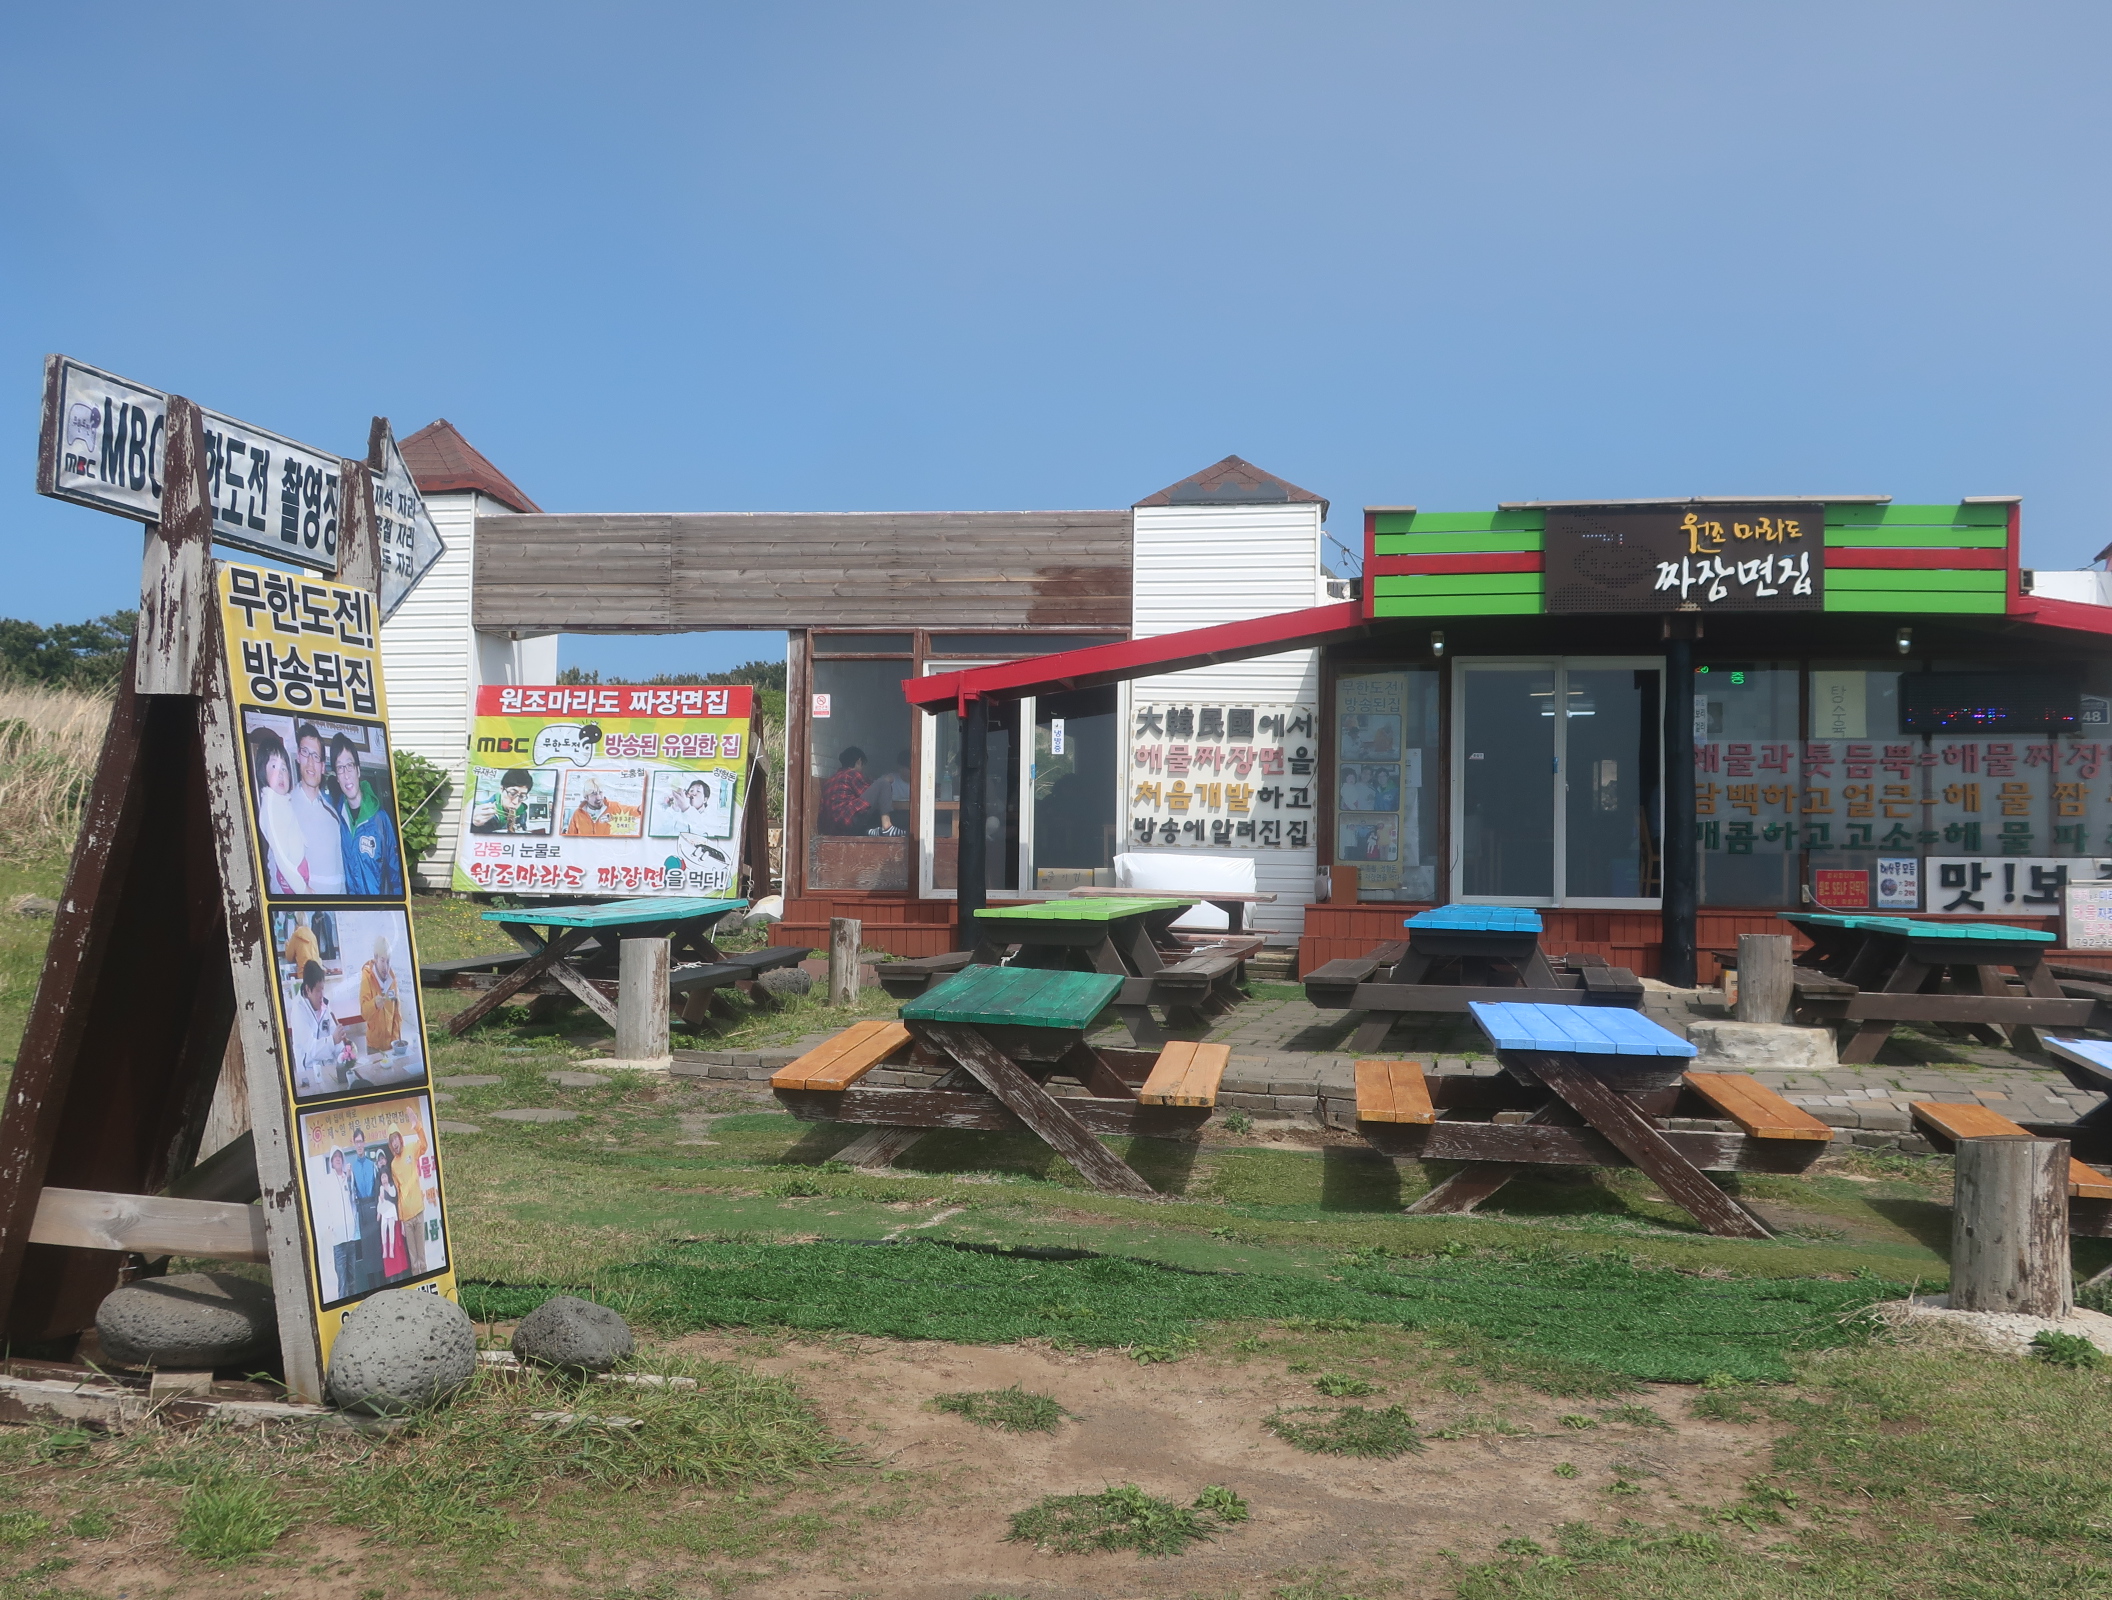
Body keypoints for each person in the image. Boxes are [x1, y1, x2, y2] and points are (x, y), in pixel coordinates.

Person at [330, 737, 403, 896]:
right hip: (350, 908)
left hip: (378, 907)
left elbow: (395, 872)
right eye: (340, 768)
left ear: (358, 770)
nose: (346, 775)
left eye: (349, 765)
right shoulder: (336, 821)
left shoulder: (380, 819)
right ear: (336, 777)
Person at [287, 725, 348, 893]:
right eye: (305, 753)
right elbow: (275, 868)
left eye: (316, 756)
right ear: (298, 757)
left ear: (322, 766)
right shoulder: (286, 808)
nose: (310, 762)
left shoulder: (333, 815)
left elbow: (341, 872)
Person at [251, 728, 311, 893]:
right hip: (289, 879)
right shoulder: (270, 807)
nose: (280, 773)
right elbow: (282, 858)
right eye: (274, 766)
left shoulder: (282, 801)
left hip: (297, 872)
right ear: (262, 771)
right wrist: (303, 889)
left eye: (284, 768)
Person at [290, 959, 345, 1097]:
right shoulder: (298, 1010)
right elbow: (312, 1049)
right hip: (309, 1074)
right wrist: (333, 1040)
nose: (322, 995)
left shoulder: (324, 1005)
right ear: (308, 989)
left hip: (329, 1068)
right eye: (318, 990)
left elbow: (334, 1034)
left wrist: (344, 1054)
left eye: (323, 989)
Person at [389, 1125, 430, 1277]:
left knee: (422, 1258)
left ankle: (425, 1281)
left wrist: (418, 1126)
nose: (395, 1142)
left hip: (418, 1210)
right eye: (391, 1140)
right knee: (413, 1261)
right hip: (406, 1218)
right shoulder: (393, 1165)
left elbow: (424, 1145)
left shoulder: (411, 1149)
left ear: (400, 1138)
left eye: (396, 1138)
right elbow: (398, 1192)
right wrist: (401, 1220)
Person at [322, 1149, 361, 1301]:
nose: (338, 1159)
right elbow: (325, 1205)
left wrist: (350, 1177)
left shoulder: (348, 1177)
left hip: (350, 1236)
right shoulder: (328, 1180)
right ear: (331, 1161)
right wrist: (330, 1225)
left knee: (352, 1278)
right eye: (335, 1157)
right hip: (338, 1239)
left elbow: (354, 1199)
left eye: (340, 1157)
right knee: (342, 1280)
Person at [347, 1130, 381, 1294]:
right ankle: (371, 1288)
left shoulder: (372, 1165)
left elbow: (378, 1188)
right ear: (354, 1144)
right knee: (366, 1250)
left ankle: (382, 1284)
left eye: (361, 1141)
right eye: (357, 1142)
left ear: (364, 1143)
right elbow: (350, 1192)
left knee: (377, 1247)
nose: (359, 1145)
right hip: (361, 1210)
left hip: (373, 1206)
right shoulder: (352, 1168)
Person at [360, 934, 404, 1058]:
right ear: (375, 958)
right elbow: (364, 1013)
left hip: (391, 1045)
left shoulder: (392, 979)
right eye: (382, 961)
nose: (386, 966)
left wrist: (395, 1041)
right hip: (374, 1047)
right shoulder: (367, 978)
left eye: (388, 961)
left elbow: (397, 1014)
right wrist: (374, 1004)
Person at [818, 747, 870, 835]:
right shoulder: (852, 774)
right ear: (859, 761)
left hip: (829, 828)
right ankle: (886, 828)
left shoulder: (830, 779)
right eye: (863, 765)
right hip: (845, 823)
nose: (863, 769)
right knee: (881, 786)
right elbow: (870, 795)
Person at [863, 749, 913, 837]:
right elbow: (876, 790)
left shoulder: (920, 783)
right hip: (892, 816)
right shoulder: (891, 779)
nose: (908, 771)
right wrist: (885, 781)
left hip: (911, 816)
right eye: (904, 768)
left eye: (909, 768)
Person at [471, 769, 537, 833]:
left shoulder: (522, 813)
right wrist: (473, 824)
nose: (515, 802)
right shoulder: (479, 810)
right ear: (501, 789)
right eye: (512, 793)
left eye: (522, 796)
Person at [376, 1162, 407, 1282]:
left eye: (385, 1176)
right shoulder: (380, 1190)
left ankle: (402, 1279)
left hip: (395, 1222)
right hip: (385, 1221)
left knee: (398, 1252)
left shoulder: (393, 1187)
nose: (384, 1179)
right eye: (382, 1177)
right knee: (389, 1258)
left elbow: (396, 1200)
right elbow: (379, 1204)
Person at [282, 912, 320, 983]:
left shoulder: (295, 935)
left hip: (303, 974)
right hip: (315, 973)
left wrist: (287, 944)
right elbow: (317, 955)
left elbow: (289, 957)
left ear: (296, 921)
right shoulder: (312, 935)